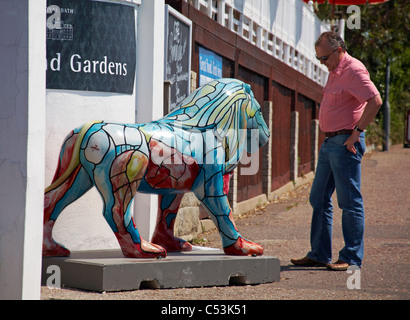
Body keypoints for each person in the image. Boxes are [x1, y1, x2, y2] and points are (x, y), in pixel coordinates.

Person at [291, 31, 383, 271]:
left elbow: (375, 100)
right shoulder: (335, 71)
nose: (322, 63)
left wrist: (357, 131)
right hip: (329, 143)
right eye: (318, 59)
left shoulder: (353, 69)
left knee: (349, 201)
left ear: (339, 50)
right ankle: (320, 254)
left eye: (324, 58)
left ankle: (351, 257)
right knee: (318, 197)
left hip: (345, 143)